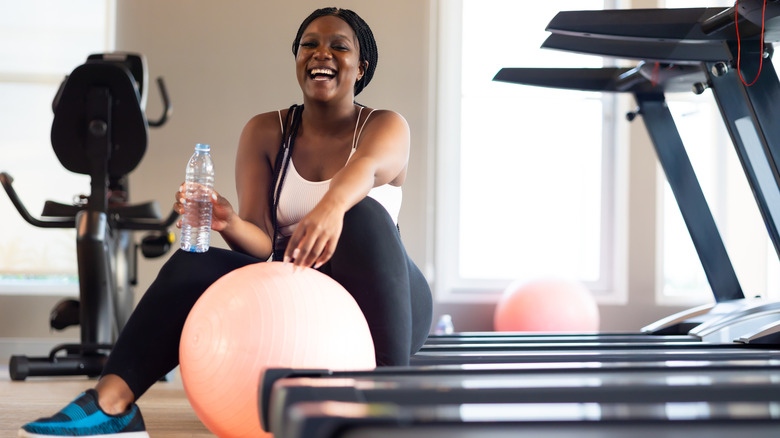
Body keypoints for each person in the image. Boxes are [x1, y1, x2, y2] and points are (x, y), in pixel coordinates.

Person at [19, 7, 432, 437]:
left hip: (385, 296)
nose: (320, 53)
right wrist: (229, 220)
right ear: (296, 58)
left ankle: (387, 403)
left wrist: (331, 208)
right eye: (309, 43)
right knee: (189, 263)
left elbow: (365, 170)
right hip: (301, 289)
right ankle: (112, 404)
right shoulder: (266, 131)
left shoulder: (385, 124)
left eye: (338, 46)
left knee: (363, 214)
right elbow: (262, 244)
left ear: (361, 66)